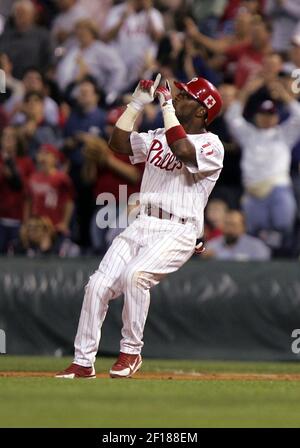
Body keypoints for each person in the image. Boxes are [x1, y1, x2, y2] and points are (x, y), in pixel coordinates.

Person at [56, 74, 224, 379]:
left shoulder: (212, 144)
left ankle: (131, 353)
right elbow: (117, 143)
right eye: (180, 94)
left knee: (136, 276)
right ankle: (83, 361)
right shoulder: (161, 133)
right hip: (143, 222)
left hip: (178, 229)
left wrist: (167, 107)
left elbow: (184, 151)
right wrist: (136, 104)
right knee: (97, 285)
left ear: (202, 111)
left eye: (187, 96)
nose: (179, 97)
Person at [225, 78, 300, 253]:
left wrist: (284, 95)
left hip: (277, 189)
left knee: (284, 230)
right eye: (263, 114)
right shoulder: (248, 134)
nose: (267, 118)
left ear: (276, 116)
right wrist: (245, 92)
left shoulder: (283, 134)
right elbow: (231, 117)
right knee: (254, 236)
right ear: (257, 116)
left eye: (271, 114)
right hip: (253, 192)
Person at [56, 19, 126, 103]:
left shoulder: (101, 49)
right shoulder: (73, 51)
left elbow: (119, 69)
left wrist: (108, 93)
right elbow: (63, 73)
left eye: (84, 31)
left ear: (92, 32)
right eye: (78, 31)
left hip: (95, 97)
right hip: (72, 96)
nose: (81, 34)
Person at [102, 0, 164, 91]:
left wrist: (148, 12)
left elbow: (158, 37)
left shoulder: (153, 13)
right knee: (117, 97)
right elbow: (106, 38)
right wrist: (122, 19)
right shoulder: (117, 11)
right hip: (119, 64)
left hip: (143, 67)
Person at [25, 144, 74, 237]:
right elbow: (28, 201)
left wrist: (65, 223)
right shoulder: (33, 178)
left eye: (47, 154)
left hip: (54, 225)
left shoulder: (62, 178)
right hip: (36, 227)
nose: (43, 156)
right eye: (41, 153)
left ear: (55, 158)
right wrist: (26, 222)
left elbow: (69, 202)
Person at [0, 126, 34, 253]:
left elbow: (28, 194)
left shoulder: (26, 162)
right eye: (5, 136)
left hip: (19, 219)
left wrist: (26, 222)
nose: (7, 140)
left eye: (11, 137)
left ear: (17, 141)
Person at [0, 0, 53, 79]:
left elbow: (50, 61)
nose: (20, 16)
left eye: (24, 13)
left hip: (34, 81)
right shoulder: (5, 36)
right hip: (8, 81)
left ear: (32, 15)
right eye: (17, 13)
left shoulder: (43, 35)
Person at [203, 209, 271, 260]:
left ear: (243, 227)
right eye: (227, 224)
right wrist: (206, 260)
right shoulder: (212, 245)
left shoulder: (256, 247)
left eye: (233, 225)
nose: (229, 228)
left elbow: (263, 269)